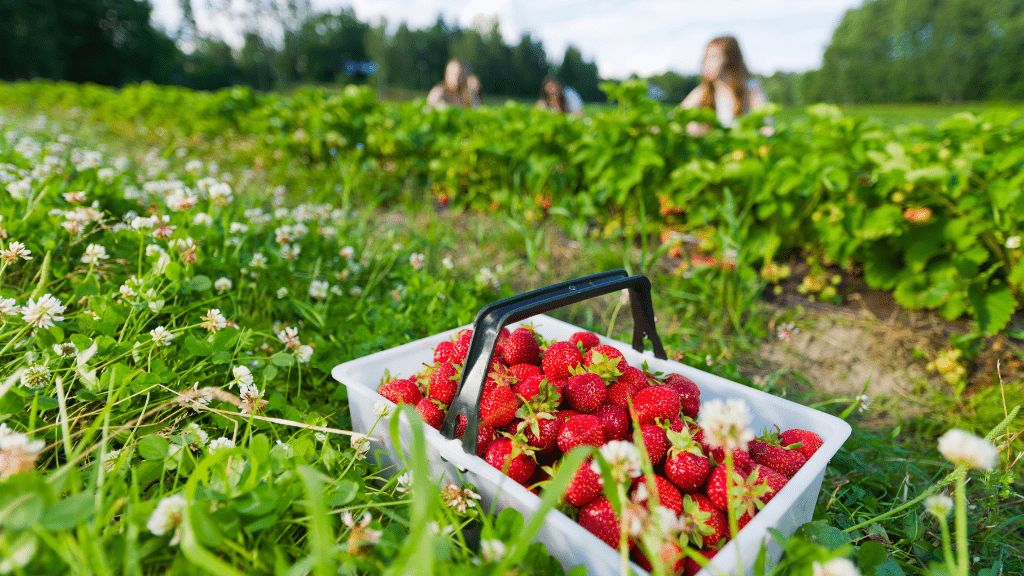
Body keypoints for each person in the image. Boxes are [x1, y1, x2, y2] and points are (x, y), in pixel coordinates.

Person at [681, 36, 769, 136]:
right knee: (692, 125)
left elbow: (766, 124)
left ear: (730, 60)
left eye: (713, 57)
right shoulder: (704, 91)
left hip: (743, 146)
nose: (706, 63)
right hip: (717, 148)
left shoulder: (751, 87)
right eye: (706, 57)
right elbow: (678, 116)